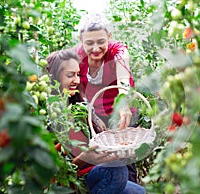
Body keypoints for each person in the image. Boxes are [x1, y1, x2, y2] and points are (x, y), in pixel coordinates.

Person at [46, 49, 145, 194]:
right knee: (117, 172)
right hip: (71, 180)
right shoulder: (50, 115)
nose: (77, 80)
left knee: (138, 191)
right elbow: (54, 170)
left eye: (78, 74)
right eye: (70, 75)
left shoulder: (83, 106)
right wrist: (83, 159)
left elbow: (101, 138)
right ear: (54, 77)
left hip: (92, 172)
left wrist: (115, 148)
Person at [73, 13, 138, 183]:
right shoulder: (77, 57)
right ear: (81, 40)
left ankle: (131, 188)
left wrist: (123, 103)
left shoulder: (119, 52)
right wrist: (92, 115)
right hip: (96, 112)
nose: (95, 48)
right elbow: (79, 89)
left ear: (109, 37)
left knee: (125, 156)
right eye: (89, 43)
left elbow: (123, 80)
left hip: (121, 112)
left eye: (101, 41)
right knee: (103, 155)